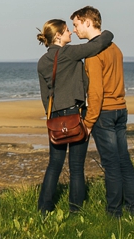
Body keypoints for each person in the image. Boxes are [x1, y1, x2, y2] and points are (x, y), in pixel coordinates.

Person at [36, 19, 113, 213]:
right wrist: (109, 33)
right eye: (67, 30)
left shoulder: (42, 61)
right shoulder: (68, 53)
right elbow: (98, 45)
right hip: (75, 114)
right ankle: (76, 210)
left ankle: (44, 209)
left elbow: (45, 96)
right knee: (76, 166)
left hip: (54, 117)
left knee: (54, 164)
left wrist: (51, 117)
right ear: (59, 35)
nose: (71, 32)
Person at [73, 6, 134, 217]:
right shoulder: (115, 48)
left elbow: (95, 92)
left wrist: (89, 122)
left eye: (76, 25)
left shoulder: (94, 54)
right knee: (124, 162)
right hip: (121, 109)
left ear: (87, 22)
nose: (75, 30)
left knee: (111, 165)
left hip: (104, 112)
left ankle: (114, 213)